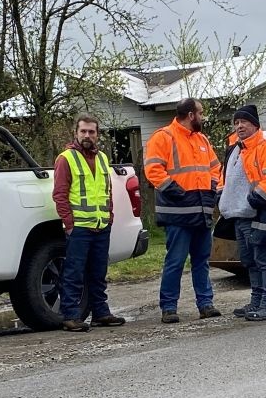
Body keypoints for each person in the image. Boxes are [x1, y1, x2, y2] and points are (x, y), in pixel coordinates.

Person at [144, 97, 223, 324]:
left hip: (200, 211)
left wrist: (211, 188)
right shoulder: (164, 137)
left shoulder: (202, 140)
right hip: (178, 213)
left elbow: (215, 167)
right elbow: (152, 169)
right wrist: (175, 191)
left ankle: (205, 304)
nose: (203, 117)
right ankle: (168, 307)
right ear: (191, 115)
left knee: (201, 261)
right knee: (175, 261)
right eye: (201, 113)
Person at [217, 105, 266, 321]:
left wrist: (256, 199)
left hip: (262, 211)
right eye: (236, 122)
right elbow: (225, 177)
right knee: (250, 260)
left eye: (244, 122)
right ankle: (257, 301)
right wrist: (222, 196)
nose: (239, 126)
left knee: (264, 259)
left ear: (255, 124)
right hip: (240, 214)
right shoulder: (236, 148)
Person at [53, 115, 126, 331]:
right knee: (74, 273)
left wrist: (109, 216)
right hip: (80, 227)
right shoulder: (66, 159)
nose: (87, 135)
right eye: (83, 131)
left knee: (98, 272)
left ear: (97, 134)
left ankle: (100, 313)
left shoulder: (103, 158)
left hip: (101, 225)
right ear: (76, 133)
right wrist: (69, 224)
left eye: (91, 132)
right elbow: (60, 194)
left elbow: (107, 191)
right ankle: (70, 315)